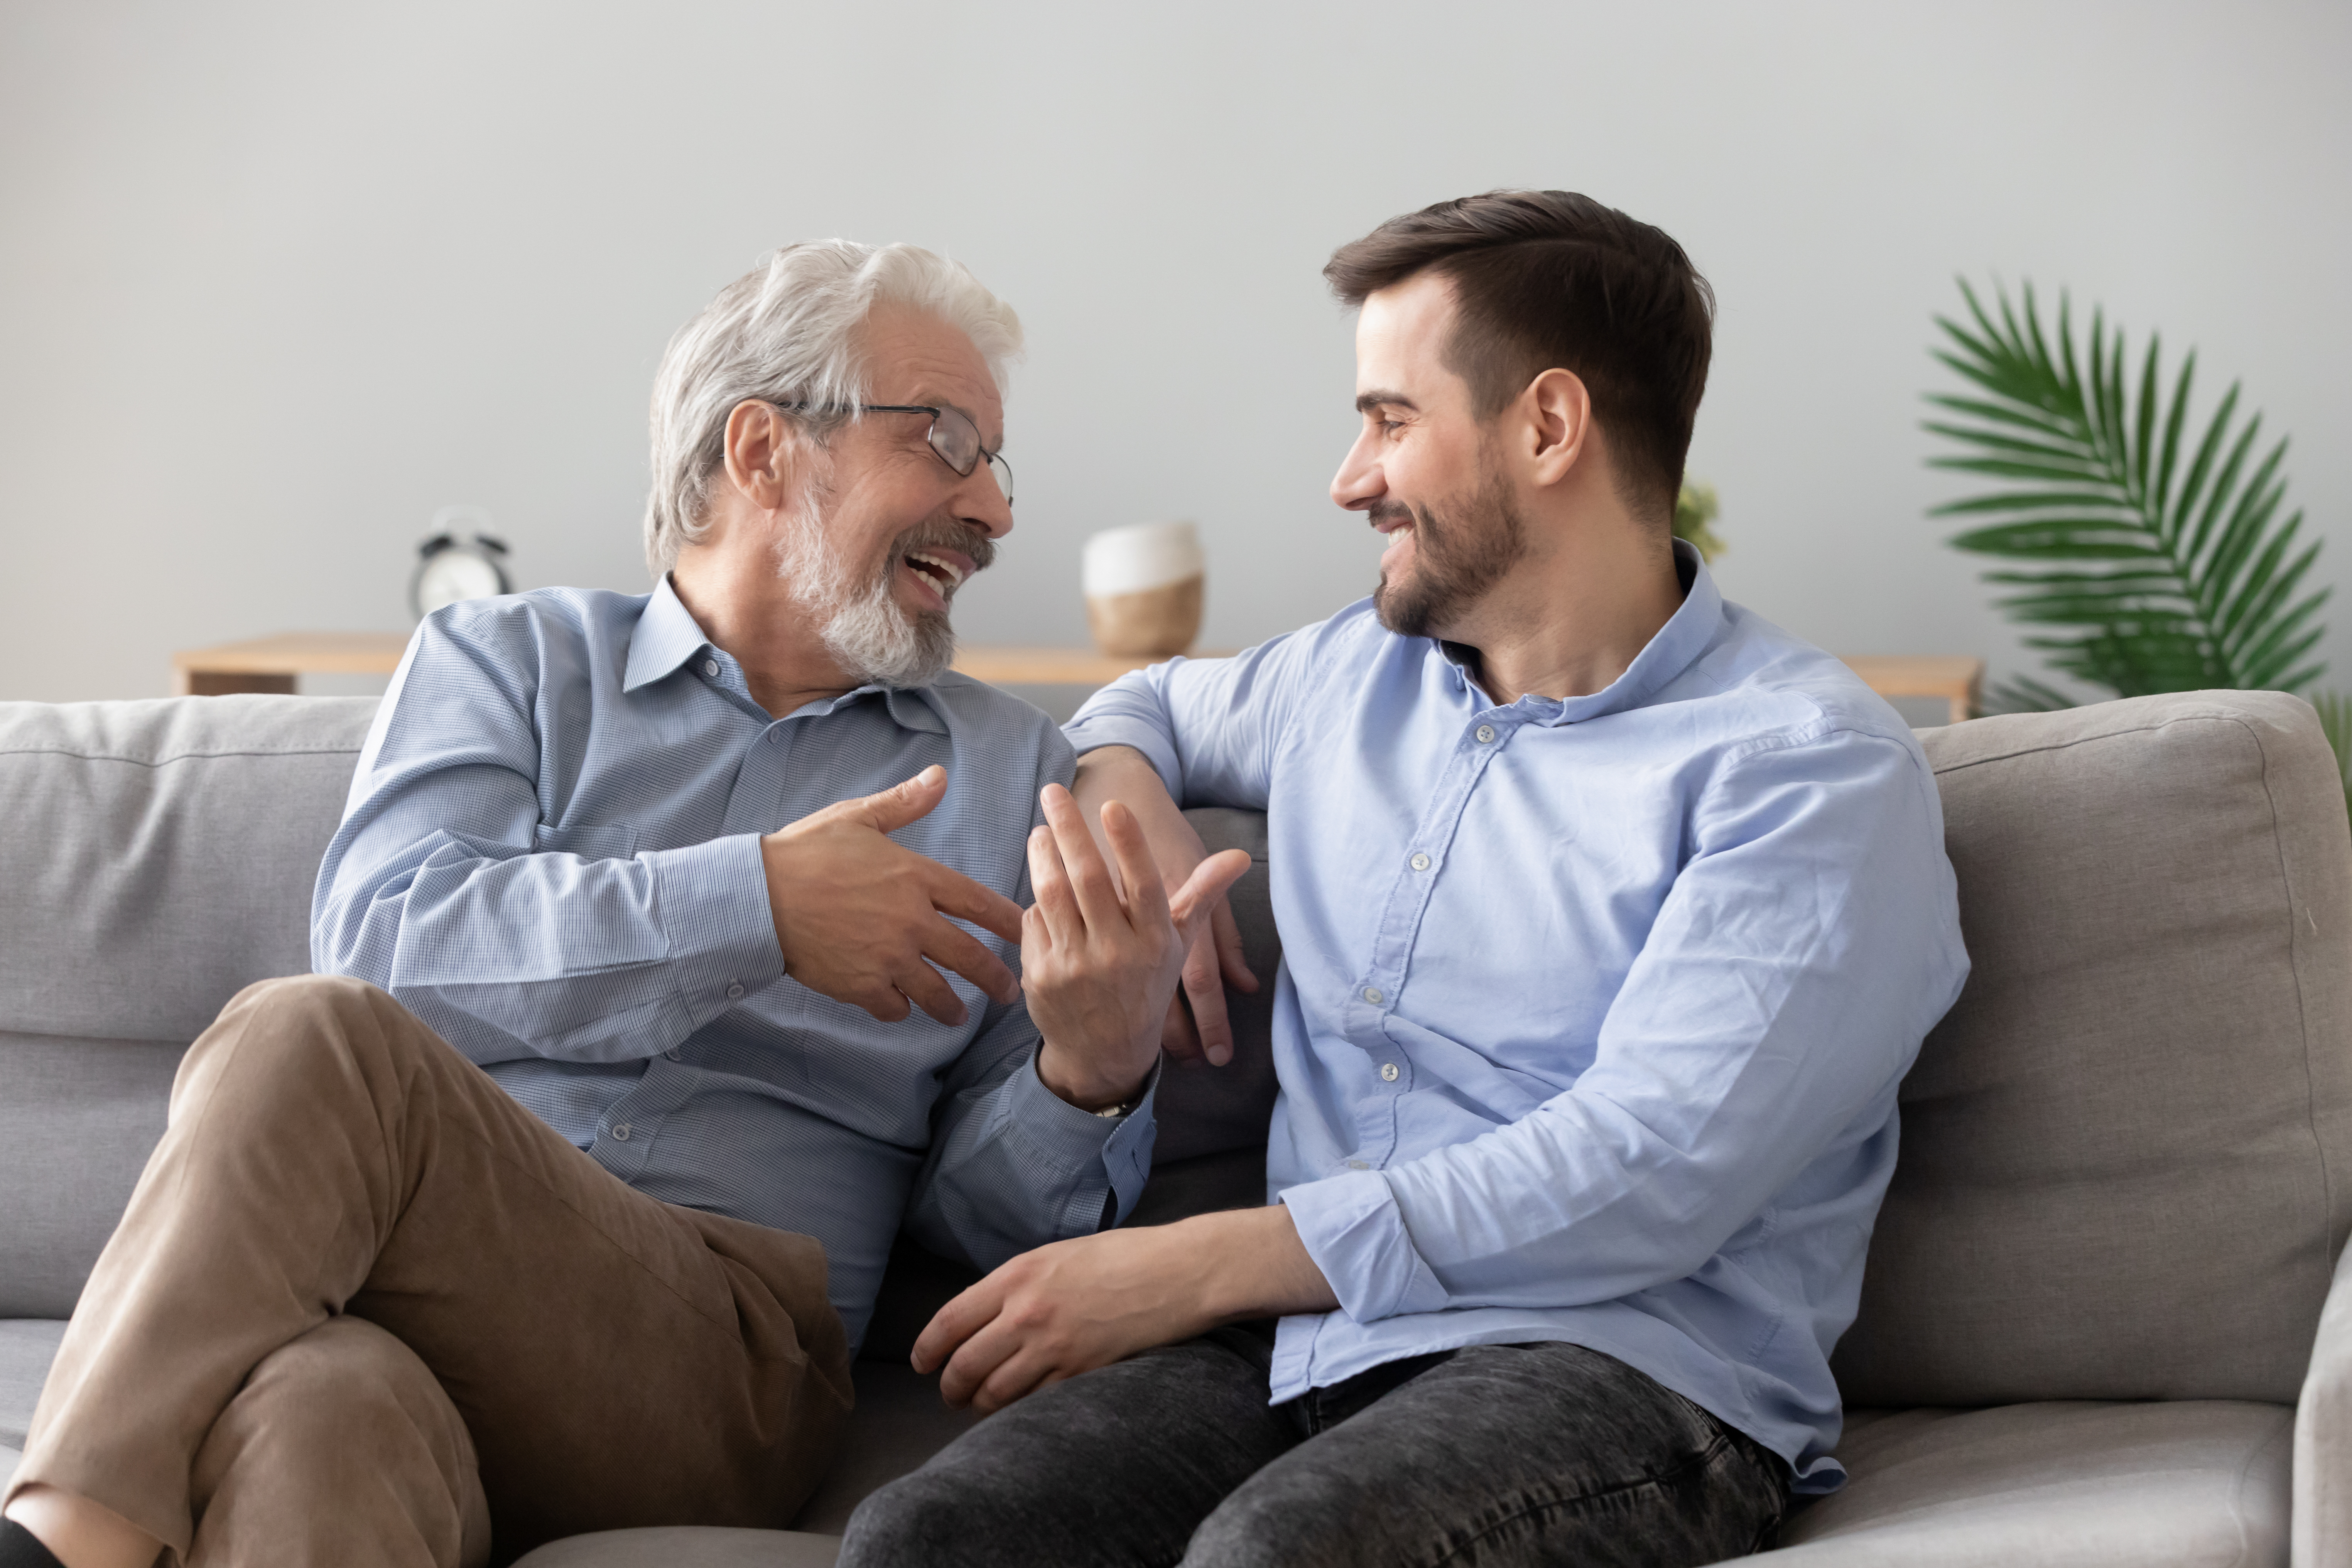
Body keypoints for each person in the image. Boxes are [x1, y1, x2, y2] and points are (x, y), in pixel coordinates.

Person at [0, 240, 1241, 1568]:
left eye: (998, 464)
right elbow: (385, 940)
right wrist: (756, 904)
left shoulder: (1014, 775)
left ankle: (56, 1542)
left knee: (312, 1036)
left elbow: (979, 1246)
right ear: (762, 450)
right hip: (410, 1318)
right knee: (320, 1403)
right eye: (946, 441)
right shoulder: (507, 663)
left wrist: (1088, 1073)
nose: (992, 508)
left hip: (724, 1366)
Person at [839, 191, 1972, 1568]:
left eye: (1388, 419)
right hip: (1305, 1352)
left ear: (1547, 427)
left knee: (1284, 1555)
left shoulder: (1807, 769)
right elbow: (1134, 707)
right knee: (930, 1537)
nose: (1347, 476)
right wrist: (1141, 814)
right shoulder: (1343, 678)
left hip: (1622, 1365)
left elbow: (1648, 1170)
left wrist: (1199, 1261)